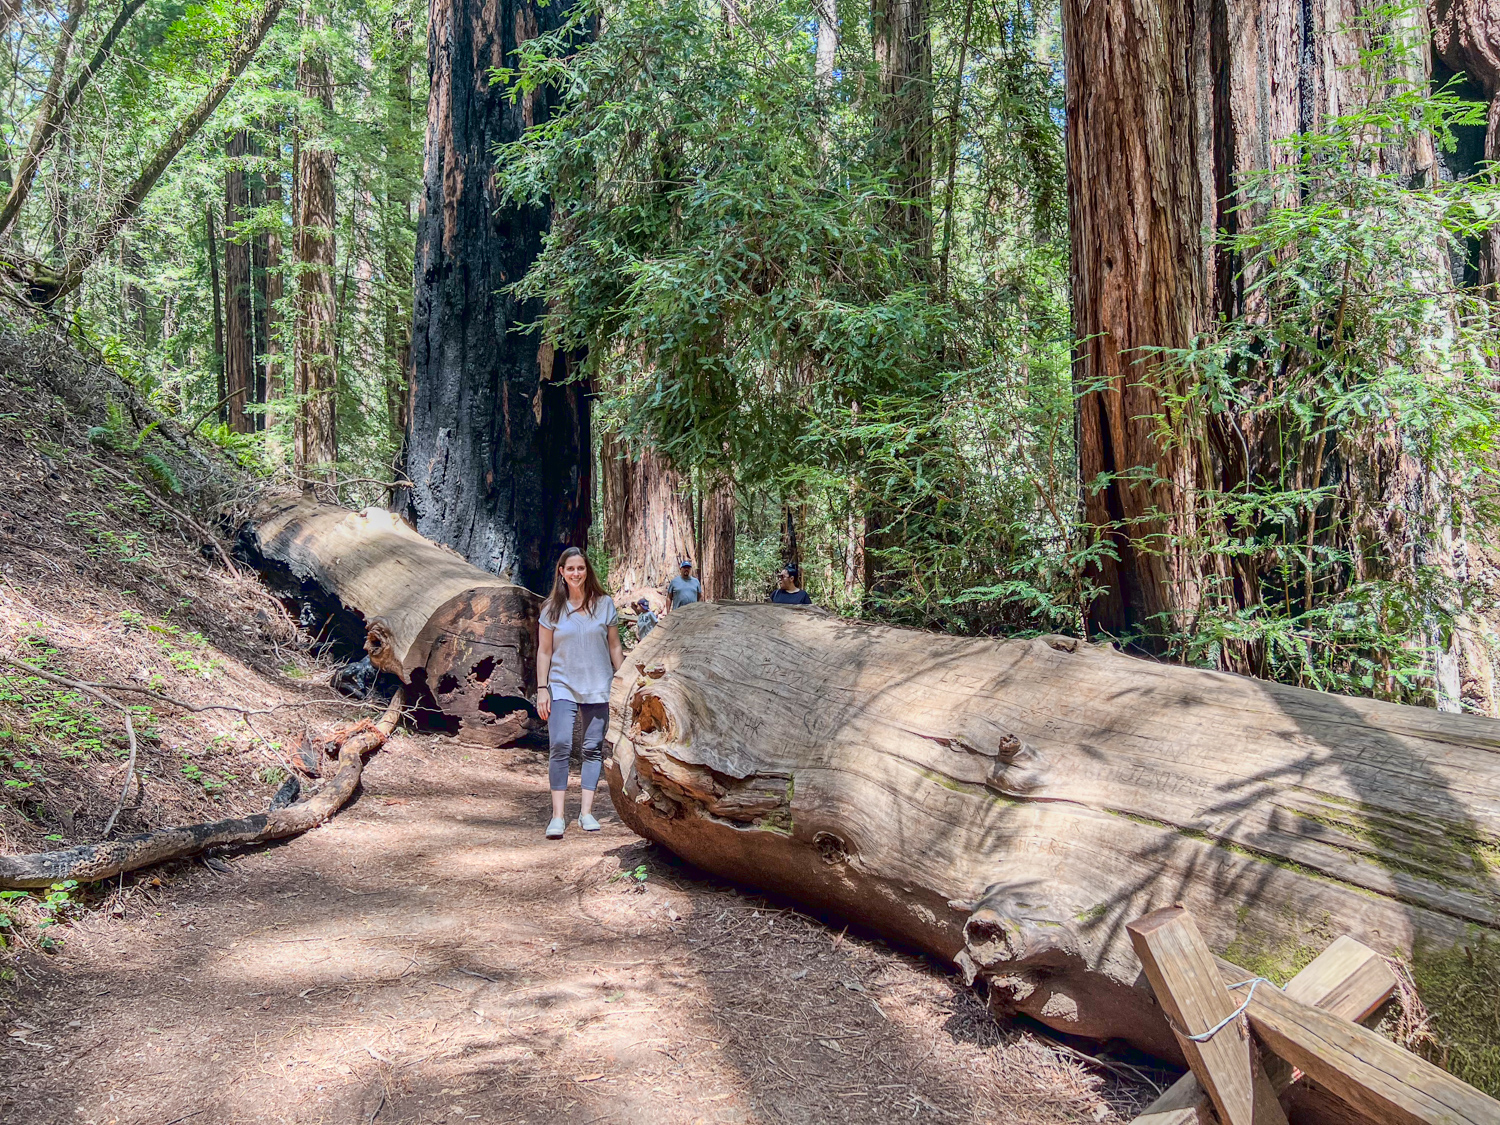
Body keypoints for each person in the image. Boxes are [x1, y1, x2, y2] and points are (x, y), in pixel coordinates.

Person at [536, 547, 624, 839]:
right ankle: (558, 816)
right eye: (570, 568)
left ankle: (587, 812)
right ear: (561, 572)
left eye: (581, 568)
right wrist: (542, 689)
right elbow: (544, 651)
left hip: (599, 685)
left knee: (591, 748)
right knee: (560, 745)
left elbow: (614, 646)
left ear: (588, 571)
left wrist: (622, 681)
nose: (576, 573)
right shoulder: (551, 609)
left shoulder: (605, 604)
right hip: (562, 685)